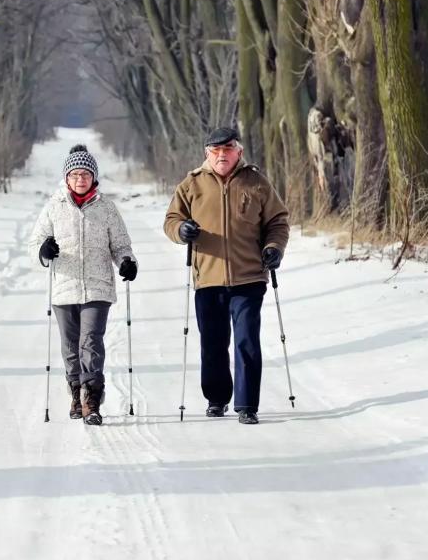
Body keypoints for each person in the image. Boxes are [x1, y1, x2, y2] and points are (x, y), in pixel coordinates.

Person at [163, 127, 289, 424]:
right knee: (213, 343)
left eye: (228, 149)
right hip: (208, 277)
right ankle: (217, 398)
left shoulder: (256, 182)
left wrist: (274, 248)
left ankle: (247, 405)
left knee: (247, 341)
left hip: (249, 277)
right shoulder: (192, 184)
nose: (222, 155)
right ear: (207, 154)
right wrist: (181, 230)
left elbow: (277, 221)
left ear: (238, 151)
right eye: (216, 150)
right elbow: (171, 220)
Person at [30, 144, 138, 426]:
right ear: (66, 178)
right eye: (75, 174)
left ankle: (91, 400)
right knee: (70, 347)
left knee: (90, 342)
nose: (81, 179)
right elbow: (34, 243)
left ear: (94, 177)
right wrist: (43, 250)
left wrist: (127, 262)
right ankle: (75, 393)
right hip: (64, 288)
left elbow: (121, 245)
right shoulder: (54, 207)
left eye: (86, 174)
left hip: (98, 286)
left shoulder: (106, 208)